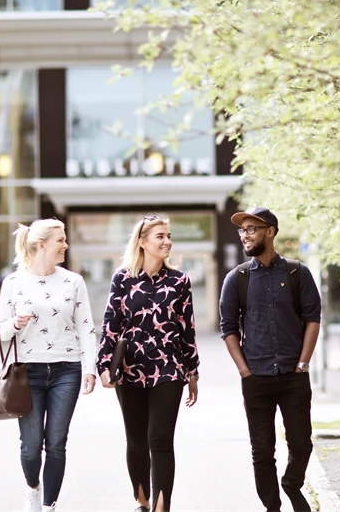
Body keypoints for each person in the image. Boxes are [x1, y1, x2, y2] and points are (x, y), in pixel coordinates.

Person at [219, 207, 322, 512]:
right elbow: (228, 328)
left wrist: (303, 365)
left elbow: (313, 318)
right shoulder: (236, 278)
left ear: (270, 232)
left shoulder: (296, 273)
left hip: (293, 376)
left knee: (302, 444)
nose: (245, 235)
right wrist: (244, 370)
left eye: (252, 229)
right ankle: (272, 508)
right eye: (243, 230)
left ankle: (291, 484)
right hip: (257, 378)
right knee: (262, 452)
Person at [98, 213, 200, 512]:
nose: (167, 241)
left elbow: (187, 329)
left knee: (161, 438)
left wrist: (192, 372)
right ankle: (141, 501)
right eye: (160, 236)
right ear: (142, 242)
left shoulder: (180, 281)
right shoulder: (123, 278)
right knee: (137, 439)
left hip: (169, 369)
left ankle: (161, 507)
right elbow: (111, 323)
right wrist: (104, 364)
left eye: (168, 236)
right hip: (130, 370)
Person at [0, 218, 98, 512]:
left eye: (64, 239)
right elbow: (1, 333)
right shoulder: (13, 283)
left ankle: (49, 506)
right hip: (26, 373)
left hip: (67, 369)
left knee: (55, 443)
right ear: (42, 245)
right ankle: (33, 489)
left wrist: (89, 367)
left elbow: (86, 327)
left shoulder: (73, 282)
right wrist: (14, 323)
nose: (65, 245)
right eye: (60, 240)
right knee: (30, 447)